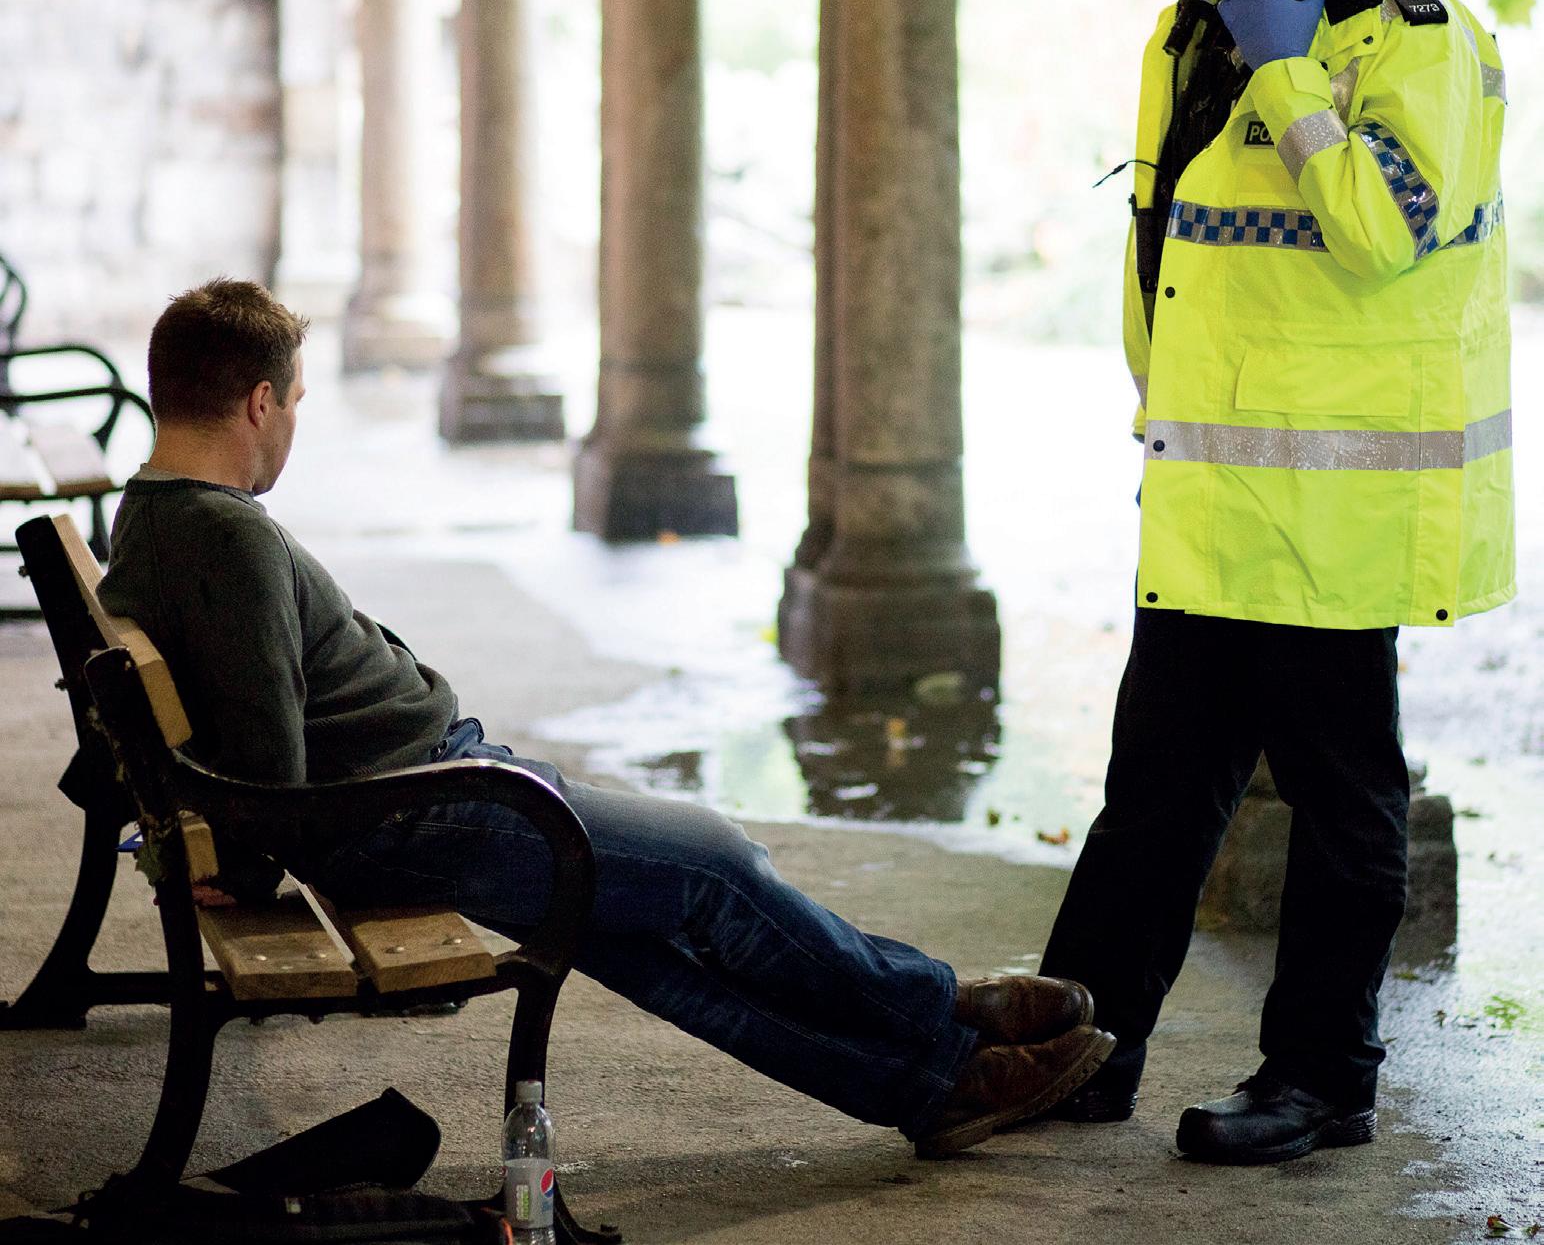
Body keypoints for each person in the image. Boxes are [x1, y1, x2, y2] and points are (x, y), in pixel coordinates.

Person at [99, 278, 1113, 1161]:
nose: (291, 426)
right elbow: (270, 766)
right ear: (259, 399)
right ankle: (937, 1005)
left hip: (418, 794)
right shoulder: (230, 536)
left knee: (652, 947)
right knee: (716, 867)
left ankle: (934, 1084)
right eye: (294, 404)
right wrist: (239, 869)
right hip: (422, 807)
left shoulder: (147, 514)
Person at [1038, 0, 1512, 1164]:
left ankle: (1321, 1075)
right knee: (1153, 792)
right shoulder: (1189, 31)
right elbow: (1171, 244)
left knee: (1343, 799)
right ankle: (1077, 1048)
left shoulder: (1420, 42)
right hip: (1210, 490)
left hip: (1338, 510)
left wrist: (1291, 75)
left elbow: (1381, 234)